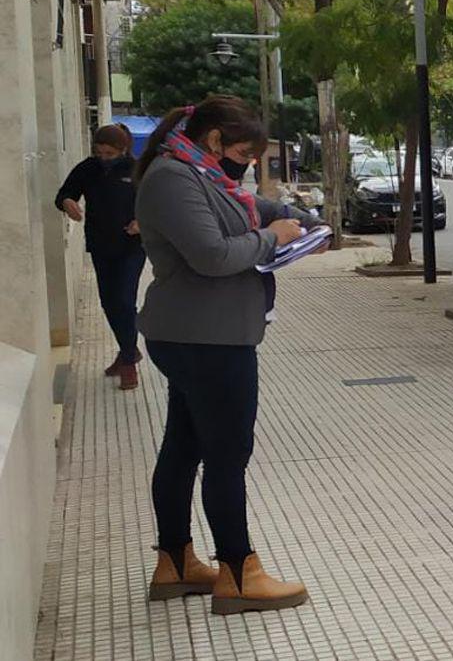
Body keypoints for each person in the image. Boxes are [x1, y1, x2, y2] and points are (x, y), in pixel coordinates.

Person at [133, 95, 319, 615]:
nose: (246, 163)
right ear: (213, 140)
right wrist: (269, 239)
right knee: (226, 454)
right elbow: (213, 256)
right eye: (242, 150)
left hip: (206, 334)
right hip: (205, 340)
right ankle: (238, 573)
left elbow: (249, 209)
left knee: (185, 448)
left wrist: (297, 221)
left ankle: (176, 563)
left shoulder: (204, 176)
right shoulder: (174, 179)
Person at [56, 124, 147, 390]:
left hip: (132, 246)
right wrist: (67, 203)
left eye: (109, 153)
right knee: (109, 302)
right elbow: (64, 193)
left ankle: (129, 361)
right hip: (100, 245)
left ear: (123, 149)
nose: (104, 158)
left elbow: (154, 205)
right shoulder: (87, 168)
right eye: (99, 152)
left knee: (124, 299)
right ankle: (128, 349)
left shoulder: (137, 170)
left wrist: (141, 221)